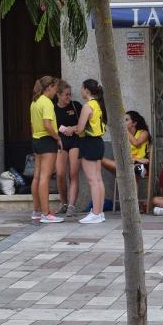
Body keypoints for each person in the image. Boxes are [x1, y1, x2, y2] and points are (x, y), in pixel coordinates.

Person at [70, 78, 108, 225]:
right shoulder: (98, 104)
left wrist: (70, 130)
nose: (80, 90)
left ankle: (96, 213)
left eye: (81, 87)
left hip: (89, 142)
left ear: (86, 90)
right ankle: (100, 212)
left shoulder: (87, 106)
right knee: (98, 179)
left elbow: (80, 128)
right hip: (98, 142)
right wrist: (73, 129)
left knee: (93, 180)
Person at [30, 75, 63, 224]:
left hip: (36, 140)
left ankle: (36, 211)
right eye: (55, 88)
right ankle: (46, 213)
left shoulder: (35, 102)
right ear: (49, 87)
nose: (56, 91)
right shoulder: (47, 103)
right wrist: (57, 138)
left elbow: (32, 125)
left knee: (37, 177)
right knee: (45, 177)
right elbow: (47, 125)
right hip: (47, 141)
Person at [54, 80, 82, 217]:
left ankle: (72, 205)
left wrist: (73, 128)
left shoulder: (75, 106)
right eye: (66, 95)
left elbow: (85, 124)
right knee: (60, 173)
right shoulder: (53, 108)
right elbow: (49, 125)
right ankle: (63, 203)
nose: (68, 97)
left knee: (73, 173)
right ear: (58, 95)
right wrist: (60, 129)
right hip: (61, 142)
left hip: (75, 141)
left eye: (70, 94)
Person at [102, 110, 151, 179]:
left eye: (126, 120)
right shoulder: (123, 137)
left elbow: (136, 143)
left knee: (133, 171)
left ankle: (123, 171)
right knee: (102, 160)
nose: (123, 122)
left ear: (134, 123)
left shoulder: (143, 133)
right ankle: (122, 172)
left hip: (142, 167)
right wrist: (135, 159)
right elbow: (122, 156)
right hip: (128, 163)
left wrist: (125, 130)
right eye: (123, 120)